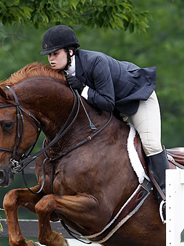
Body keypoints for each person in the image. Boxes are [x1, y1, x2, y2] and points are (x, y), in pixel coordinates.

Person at [40, 25, 168, 223]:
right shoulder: (62, 73)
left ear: (70, 51)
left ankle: (167, 196)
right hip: (114, 106)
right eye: (49, 55)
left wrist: (82, 88)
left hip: (136, 99)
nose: (51, 59)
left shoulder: (95, 62)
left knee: (150, 144)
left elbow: (107, 103)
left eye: (55, 53)